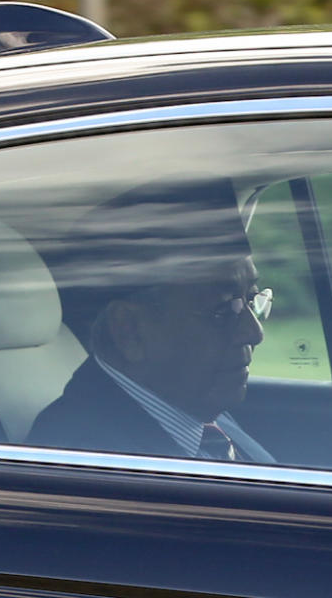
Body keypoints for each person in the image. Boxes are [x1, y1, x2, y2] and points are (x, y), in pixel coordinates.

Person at [27, 179, 275, 462]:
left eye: (251, 299)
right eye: (221, 310)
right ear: (129, 331)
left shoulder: (195, 414)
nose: (253, 333)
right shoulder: (88, 459)